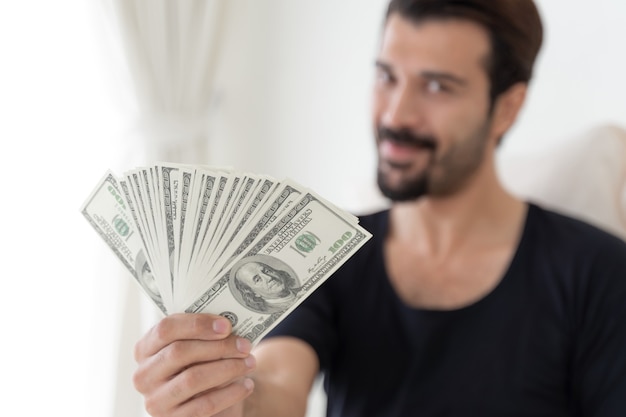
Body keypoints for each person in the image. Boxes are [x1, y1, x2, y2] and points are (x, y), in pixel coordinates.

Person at [132, 0, 626, 416]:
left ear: (507, 108)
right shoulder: (329, 251)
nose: (395, 115)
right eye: (387, 77)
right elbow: (279, 382)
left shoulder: (600, 274)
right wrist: (225, 396)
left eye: (436, 87)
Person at [230, 256, 301, 314]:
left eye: (267, 271)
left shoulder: (303, 290)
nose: (269, 277)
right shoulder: (270, 312)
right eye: (258, 280)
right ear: (254, 293)